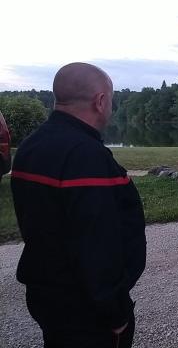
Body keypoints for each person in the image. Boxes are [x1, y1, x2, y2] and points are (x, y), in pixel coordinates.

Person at [10, 63, 146, 348]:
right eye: (111, 98)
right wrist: (116, 312)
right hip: (86, 310)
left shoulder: (31, 146)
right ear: (100, 101)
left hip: (47, 295)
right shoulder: (85, 157)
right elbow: (98, 242)